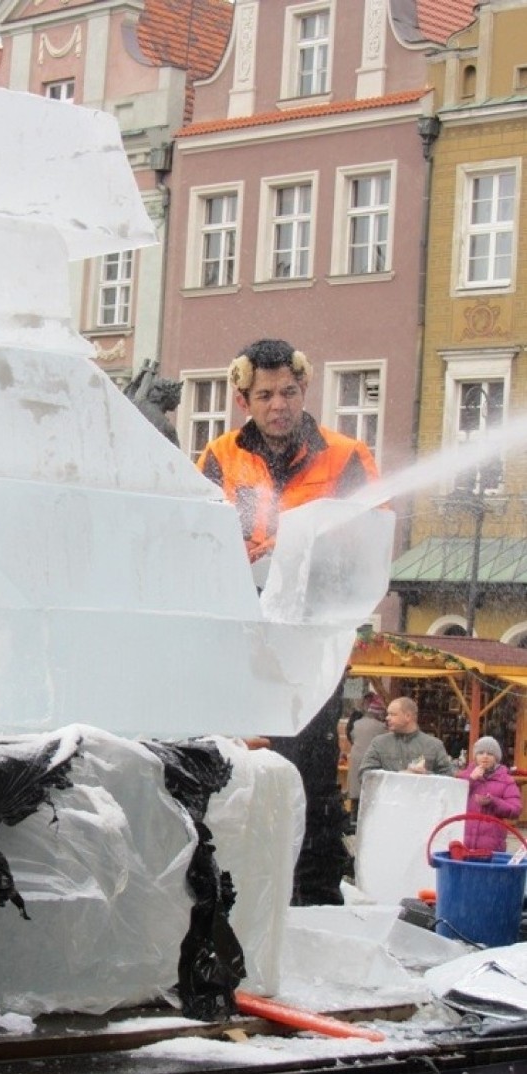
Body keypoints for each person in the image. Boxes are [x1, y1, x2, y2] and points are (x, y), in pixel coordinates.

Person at [197, 338, 379, 905]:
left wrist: (311, 558)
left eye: (290, 392)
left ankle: (317, 888)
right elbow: (194, 534)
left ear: (304, 391)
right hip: (244, 630)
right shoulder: (220, 455)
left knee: (312, 760)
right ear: (244, 398)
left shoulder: (345, 455)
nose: (280, 404)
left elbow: (373, 538)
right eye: (267, 395)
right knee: (236, 756)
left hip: (311, 634)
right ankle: (234, 881)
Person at [358, 697, 453, 780]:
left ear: (408, 716)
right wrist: (399, 776)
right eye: (388, 714)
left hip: (419, 799)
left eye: (393, 714)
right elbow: (364, 775)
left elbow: (448, 778)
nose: (387, 718)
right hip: (388, 799)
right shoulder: (379, 743)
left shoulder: (434, 745)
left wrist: (425, 775)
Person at [458, 736, 522, 853]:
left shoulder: (506, 780)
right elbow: (453, 797)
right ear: (475, 756)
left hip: (492, 847)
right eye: (481, 753)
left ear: (496, 758)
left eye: (490, 753)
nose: (485, 756)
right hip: (463, 843)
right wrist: (471, 779)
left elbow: (516, 810)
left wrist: (493, 802)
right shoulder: (464, 776)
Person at [347, 694, 387, 822]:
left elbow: (352, 737)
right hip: (372, 763)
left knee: (356, 794)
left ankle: (353, 819)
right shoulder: (382, 728)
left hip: (356, 760)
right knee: (369, 795)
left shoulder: (356, 724)